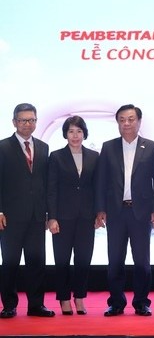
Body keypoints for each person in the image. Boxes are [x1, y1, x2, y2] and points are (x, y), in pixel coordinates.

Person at [95, 104, 154, 317]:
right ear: (117, 123)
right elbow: (101, 181)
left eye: (131, 119)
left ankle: (141, 302)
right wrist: (100, 209)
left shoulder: (152, 147)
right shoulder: (108, 147)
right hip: (116, 212)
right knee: (115, 260)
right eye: (122, 120)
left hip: (141, 213)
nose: (126, 123)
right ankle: (116, 302)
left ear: (139, 122)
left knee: (142, 261)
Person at [0, 103, 54, 318]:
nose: (27, 124)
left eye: (31, 120)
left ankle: (36, 305)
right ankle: (9, 305)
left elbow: (44, 183)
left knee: (36, 262)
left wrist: (49, 214)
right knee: (10, 263)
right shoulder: (2, 147)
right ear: (14, 122)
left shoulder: (43, 147)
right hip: (10, 217)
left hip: (36, 217)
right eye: (23, 120)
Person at [47, 116, 100, 315]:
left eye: (79, 131)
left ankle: (79, 298)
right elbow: (51, 189)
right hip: (62, 217)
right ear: (65, 134)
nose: (75, 135)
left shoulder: (94, 156)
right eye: (71, 131)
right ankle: (63, 299)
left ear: (84, 133)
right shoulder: (56, 156)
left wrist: (99, 213)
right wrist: (51, 217)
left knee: (83, 259)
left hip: (87, 217)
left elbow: (98, 187)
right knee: (61, 260)